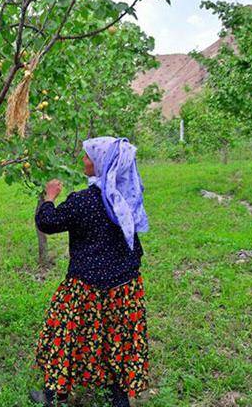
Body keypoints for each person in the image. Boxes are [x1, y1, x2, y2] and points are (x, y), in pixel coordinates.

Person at [30, 136, 150, 407]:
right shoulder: (127, 196)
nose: (84, 160)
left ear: (101, 163)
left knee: (64, 336)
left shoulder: (83, 201)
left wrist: (49, 197)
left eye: (88, 156)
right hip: (124, 286)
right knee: (118, 339)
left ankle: (54, 397)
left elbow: (47, 222)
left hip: (86, 286)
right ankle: (120, 400)